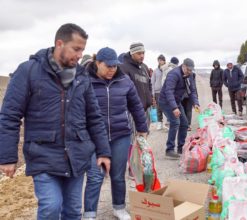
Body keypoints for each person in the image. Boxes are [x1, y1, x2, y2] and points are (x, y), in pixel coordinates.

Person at [0, 23, 111, 220]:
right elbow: (9, 115)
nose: (79, 55)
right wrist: (7, 156)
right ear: (60, 43)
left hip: (77, 155)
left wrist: (103, 152)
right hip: (43, 153)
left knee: (72, 211)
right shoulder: (29, 71)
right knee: (51, 206)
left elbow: (94, 117)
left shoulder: (82, 76)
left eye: (82, 50)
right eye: (76, 49)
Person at [83, 47, 148, 220]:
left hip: (120, 136)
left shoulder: (124, 81)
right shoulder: (85, 81)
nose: (112, 69)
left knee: (118, 175)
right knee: (95, 176)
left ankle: (119, 208)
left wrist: (142, 128)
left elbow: (135, 106)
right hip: (95, 138)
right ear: (97, 63)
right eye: (108, 66)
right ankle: (89, 213)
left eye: (115, 66)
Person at [159, 58, 200, 159]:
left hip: (176, 101)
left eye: (191, 70)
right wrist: (174, 107)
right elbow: (169, 91)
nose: (190, 72)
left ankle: (181, 148)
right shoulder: (174, 74)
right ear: (183, 66)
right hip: (166, 101)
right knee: (175, 122)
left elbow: (193, 90)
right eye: (188, 70)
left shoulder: (190, 75)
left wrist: (196, 103)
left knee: (185, 124)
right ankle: (169, 149)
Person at [119, 42, 153, 114]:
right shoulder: (124, 67)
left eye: (143, 53)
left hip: (146, 109)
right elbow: (123, 89)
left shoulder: (144, 67)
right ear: (132, 53)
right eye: (139, 53)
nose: (142, 56)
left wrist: (150, 97)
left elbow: (149, 83)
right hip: (132, 111)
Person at [151, 54, 166, 130]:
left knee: (166, 107)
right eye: (159, 60)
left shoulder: (166, 69)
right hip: (157, 91)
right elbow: (152, 82)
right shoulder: (155, 71)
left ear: (164, 61)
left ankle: (168, 122)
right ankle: (159, 123)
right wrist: (153, 93)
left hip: (166, 91)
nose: (160, 62)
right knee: (159, 107)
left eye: (161, 60)